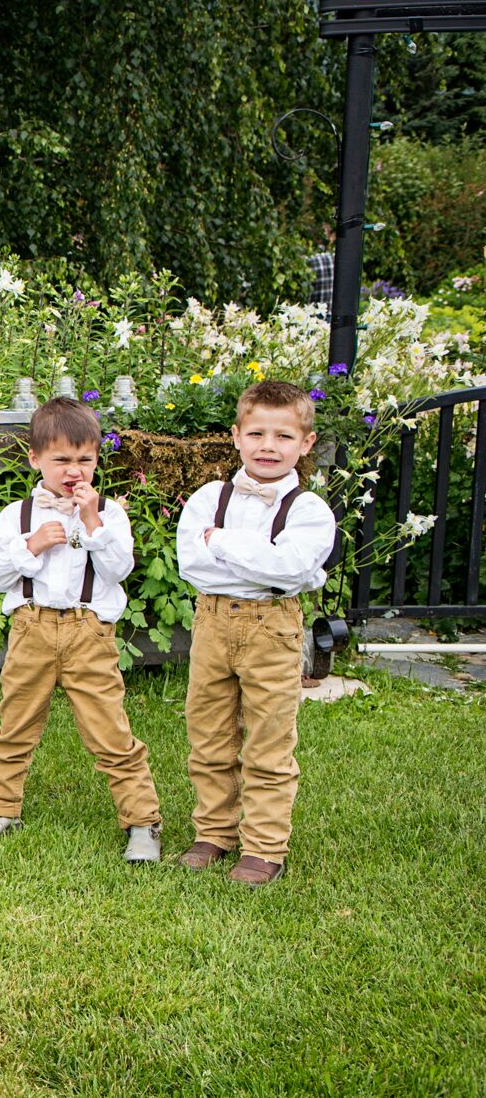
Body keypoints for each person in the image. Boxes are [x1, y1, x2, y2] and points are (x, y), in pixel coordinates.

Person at [0, 397, 162, 861]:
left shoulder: (110, 514)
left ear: (97, 460)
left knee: (110, 730)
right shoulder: (17, 515)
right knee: (15, 723)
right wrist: (31, 545)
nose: (74, 471)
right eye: (61, 460)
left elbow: (118, 570)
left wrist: (92, 522)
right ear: (36, 459)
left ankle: (142, 822)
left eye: (84, 460)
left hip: (88, 632)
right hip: (32, 629)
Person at [175, 378, 335, 885]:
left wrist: (221, 541)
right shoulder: (208, 496)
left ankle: (264, 846)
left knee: (268, 739)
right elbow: (194, 567)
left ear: (305, 444)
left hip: (273, 628)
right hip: (213, 623)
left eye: (284, 437)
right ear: (237, 436)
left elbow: (290, 568)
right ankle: (214, 831)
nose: (269, 446)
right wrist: (267, 562)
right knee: (209, 733)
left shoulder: (308, 510)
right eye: (258, 434)